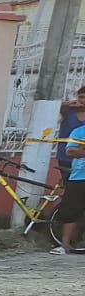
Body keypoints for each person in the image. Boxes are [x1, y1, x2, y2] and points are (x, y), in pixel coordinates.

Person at [52, 123, 85, 256]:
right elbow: (70, 151)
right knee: (71, 212)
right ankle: (64, 245)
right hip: (79, 177)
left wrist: (81, 150)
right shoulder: (78, 132)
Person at [57, 86, 85, 187]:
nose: (83, 100)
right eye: (81, 97)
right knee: (68, 185)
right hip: (66, 155)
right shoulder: (68, 111)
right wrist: (68, 103)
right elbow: (53, 106)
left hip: (82, 158)